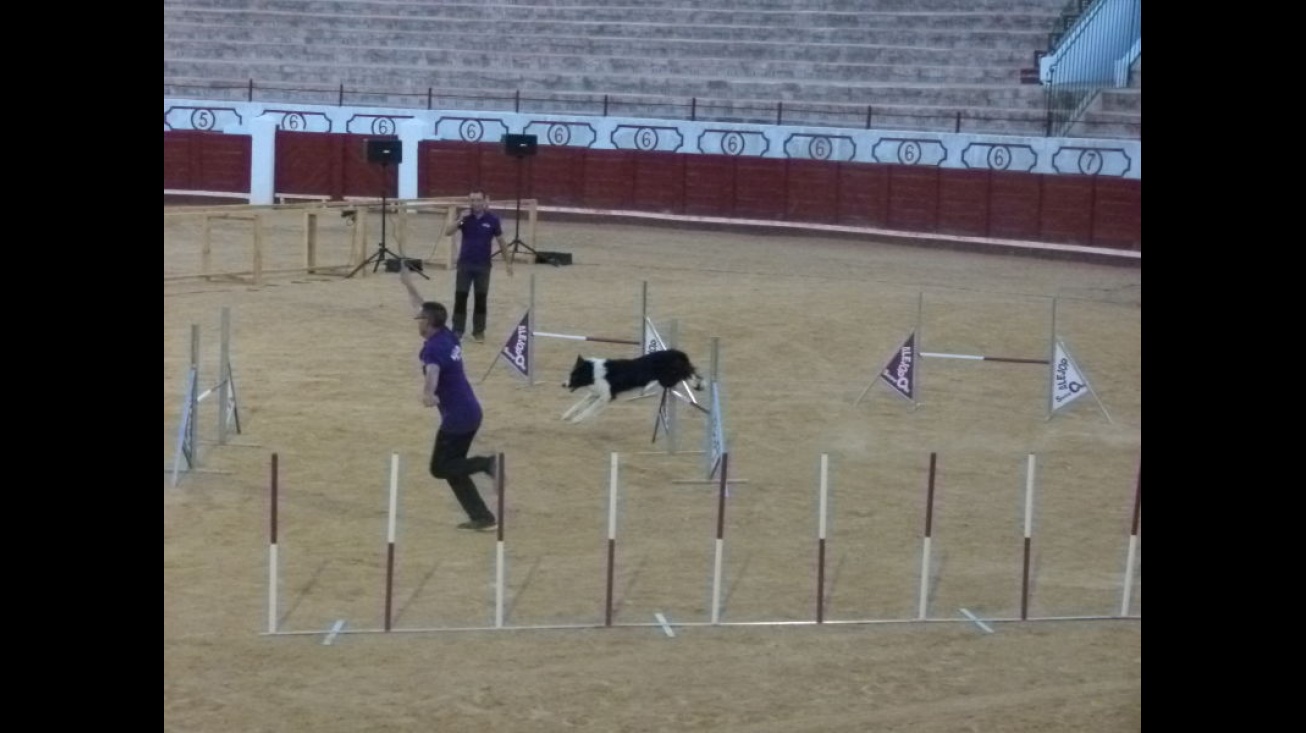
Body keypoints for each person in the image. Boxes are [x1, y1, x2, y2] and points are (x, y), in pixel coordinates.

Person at [399, 262, 499, 531]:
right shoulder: (447, 334)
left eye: (420, 319)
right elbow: (421, 306)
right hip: (471, 412)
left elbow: (433, 371)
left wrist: (428, 393)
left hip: (456, 419)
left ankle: (487, 463)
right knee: (454, 467)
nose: (416, 320)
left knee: (440, 468)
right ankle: (482, 517)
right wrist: (408, 285)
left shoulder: (433, 349)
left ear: (428, 324)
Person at [443, 189, 513, 343]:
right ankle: (458, 330)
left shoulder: (493, 220)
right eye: (472, 200)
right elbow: (448, 232)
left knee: (481, 299)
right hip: (465, 264)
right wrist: (460, 219)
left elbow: (501, 242)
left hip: (483, 265)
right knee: (461, 297)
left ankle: (479, 331)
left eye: (478, 200)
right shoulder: (465, 219)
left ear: (485, 201)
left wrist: (508, 262)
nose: (475, 203)